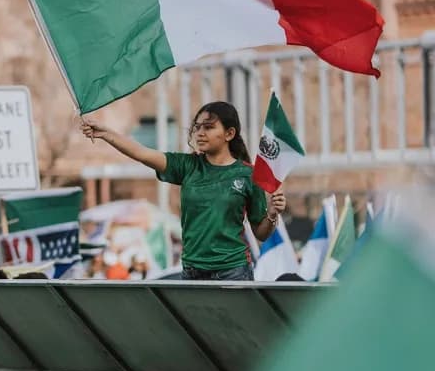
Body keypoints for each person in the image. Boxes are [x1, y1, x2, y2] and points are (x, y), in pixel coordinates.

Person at [81, 101, 285, 281]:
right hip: (192, 272)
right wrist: (106, 133)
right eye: (197, 128)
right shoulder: (187, 166)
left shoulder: (248, 174)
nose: (200, 133)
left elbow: (261, 233)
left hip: (233, 272)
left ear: (229, 134)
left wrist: (273, 214)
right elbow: (142, 153)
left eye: (209, 127)